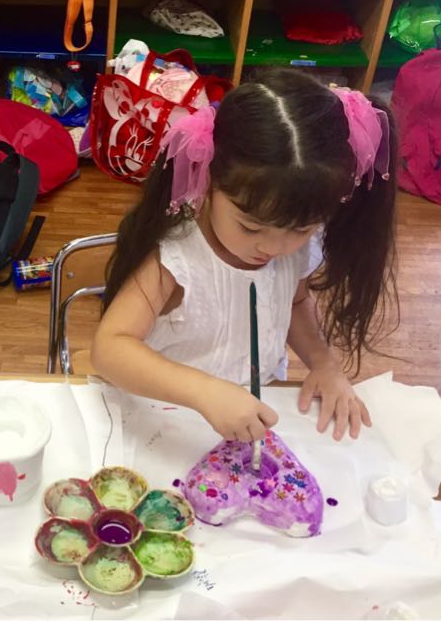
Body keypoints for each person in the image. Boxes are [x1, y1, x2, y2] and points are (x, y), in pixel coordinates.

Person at [92, 68, 398, 443]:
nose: (274, 248)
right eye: (251, 228)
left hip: (247, 417)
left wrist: (324, 363)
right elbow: (110, 348)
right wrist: (205, 392)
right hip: (167, 423)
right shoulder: (175, 256)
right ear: (209, 179)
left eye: (301, 229)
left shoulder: (291, 246)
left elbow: (294, 302)